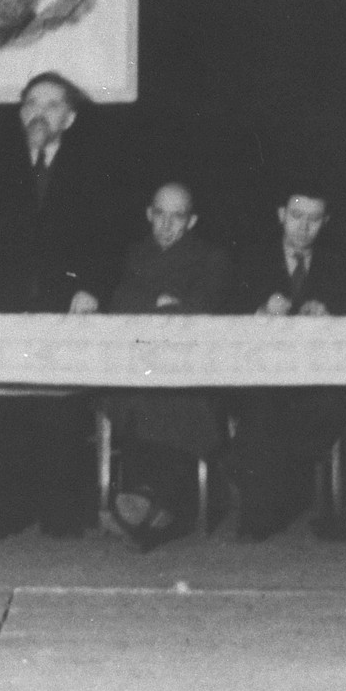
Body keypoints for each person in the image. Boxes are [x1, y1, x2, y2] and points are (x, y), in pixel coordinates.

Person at [0, 71, 118, 539]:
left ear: (69, 118)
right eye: (30, 103)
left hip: (63, 304)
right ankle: (5, 508)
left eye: (50, 104)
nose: (38, 112)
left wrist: (91, 289)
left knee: (58, 405)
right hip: (3, 301)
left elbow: (106, 239)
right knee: (5, 405)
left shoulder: (93, 168)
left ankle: (60, 509)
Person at [104, 181, 232, 550]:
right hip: (138, 370)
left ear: (191, 222)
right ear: (149, 214)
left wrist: (154, 304)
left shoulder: (211, 257)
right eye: (160, 214)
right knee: (140, 394)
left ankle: (148, 503)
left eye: (177, 217)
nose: (166, 224)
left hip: (190, 373)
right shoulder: (131, 254)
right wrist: (159, 301)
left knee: (176, 398)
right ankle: (156, 509)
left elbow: (203, 307)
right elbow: (116, 301)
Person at [225, 183, 346, 540]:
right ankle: (259, 511)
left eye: (314, 219)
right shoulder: (250, 260)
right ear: (281, 215)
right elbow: (224, 315)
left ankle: (311, 505)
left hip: (316, 388)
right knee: (260, 410)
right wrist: (260, 312)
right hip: (259, 383)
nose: (303, 227)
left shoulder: (339, 266)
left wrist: (331, 317)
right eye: (296, 216)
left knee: (329, 411)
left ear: (325, 222)